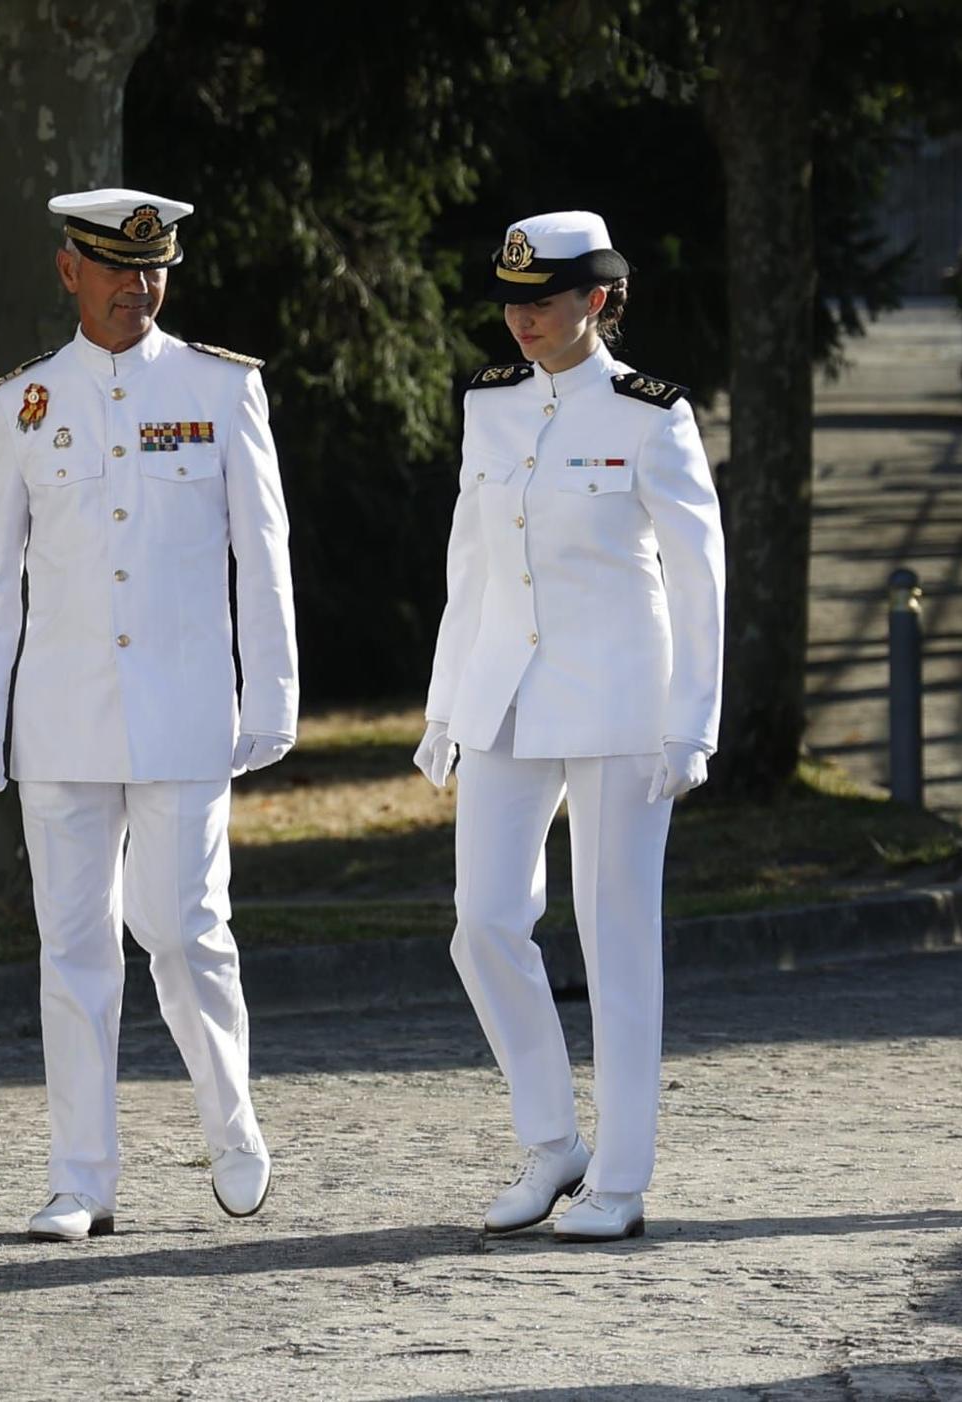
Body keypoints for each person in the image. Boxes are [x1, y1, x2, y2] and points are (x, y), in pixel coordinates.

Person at [0, 188, 299, 1242]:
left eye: (153, 269)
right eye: (115, 268)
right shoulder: (25, 401)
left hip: (183, 712)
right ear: (70, 271)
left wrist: (271, 694)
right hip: (61, 717)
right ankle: (80, 1179)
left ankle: (231, 1126)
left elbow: (262, 553)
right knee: (71, 949)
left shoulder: (219, 387)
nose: (136, 287)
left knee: (185, 931)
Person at [414, 210, 725, 1242]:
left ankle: (620, 1178)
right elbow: (468, 562)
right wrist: (444, 704)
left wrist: (692, 722)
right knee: (482, 922)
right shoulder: (490, 403)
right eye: (511, 300)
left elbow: (699, 578)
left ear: (597, 298)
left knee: (616, 935)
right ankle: (552, 1141)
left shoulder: (650, 416)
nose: (522, 319)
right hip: (504, 693)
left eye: (542, 300)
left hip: (619, 701)